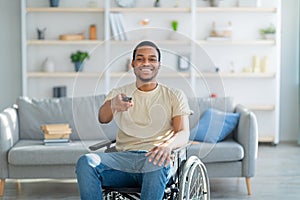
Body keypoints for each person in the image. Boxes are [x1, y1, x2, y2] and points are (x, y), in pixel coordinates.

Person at [76, 41, 191, 200]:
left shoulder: (174, 95)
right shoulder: (119, 93)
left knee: (155, 162)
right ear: (133, 64)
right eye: (140, 59)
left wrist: (167, 146)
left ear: (158, 65)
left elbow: (183, 132)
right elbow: (103, 118)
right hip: (123, 160)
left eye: (152, 59)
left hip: (155, 159)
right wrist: (112, 105)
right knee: (86, 162)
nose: (146, 63)